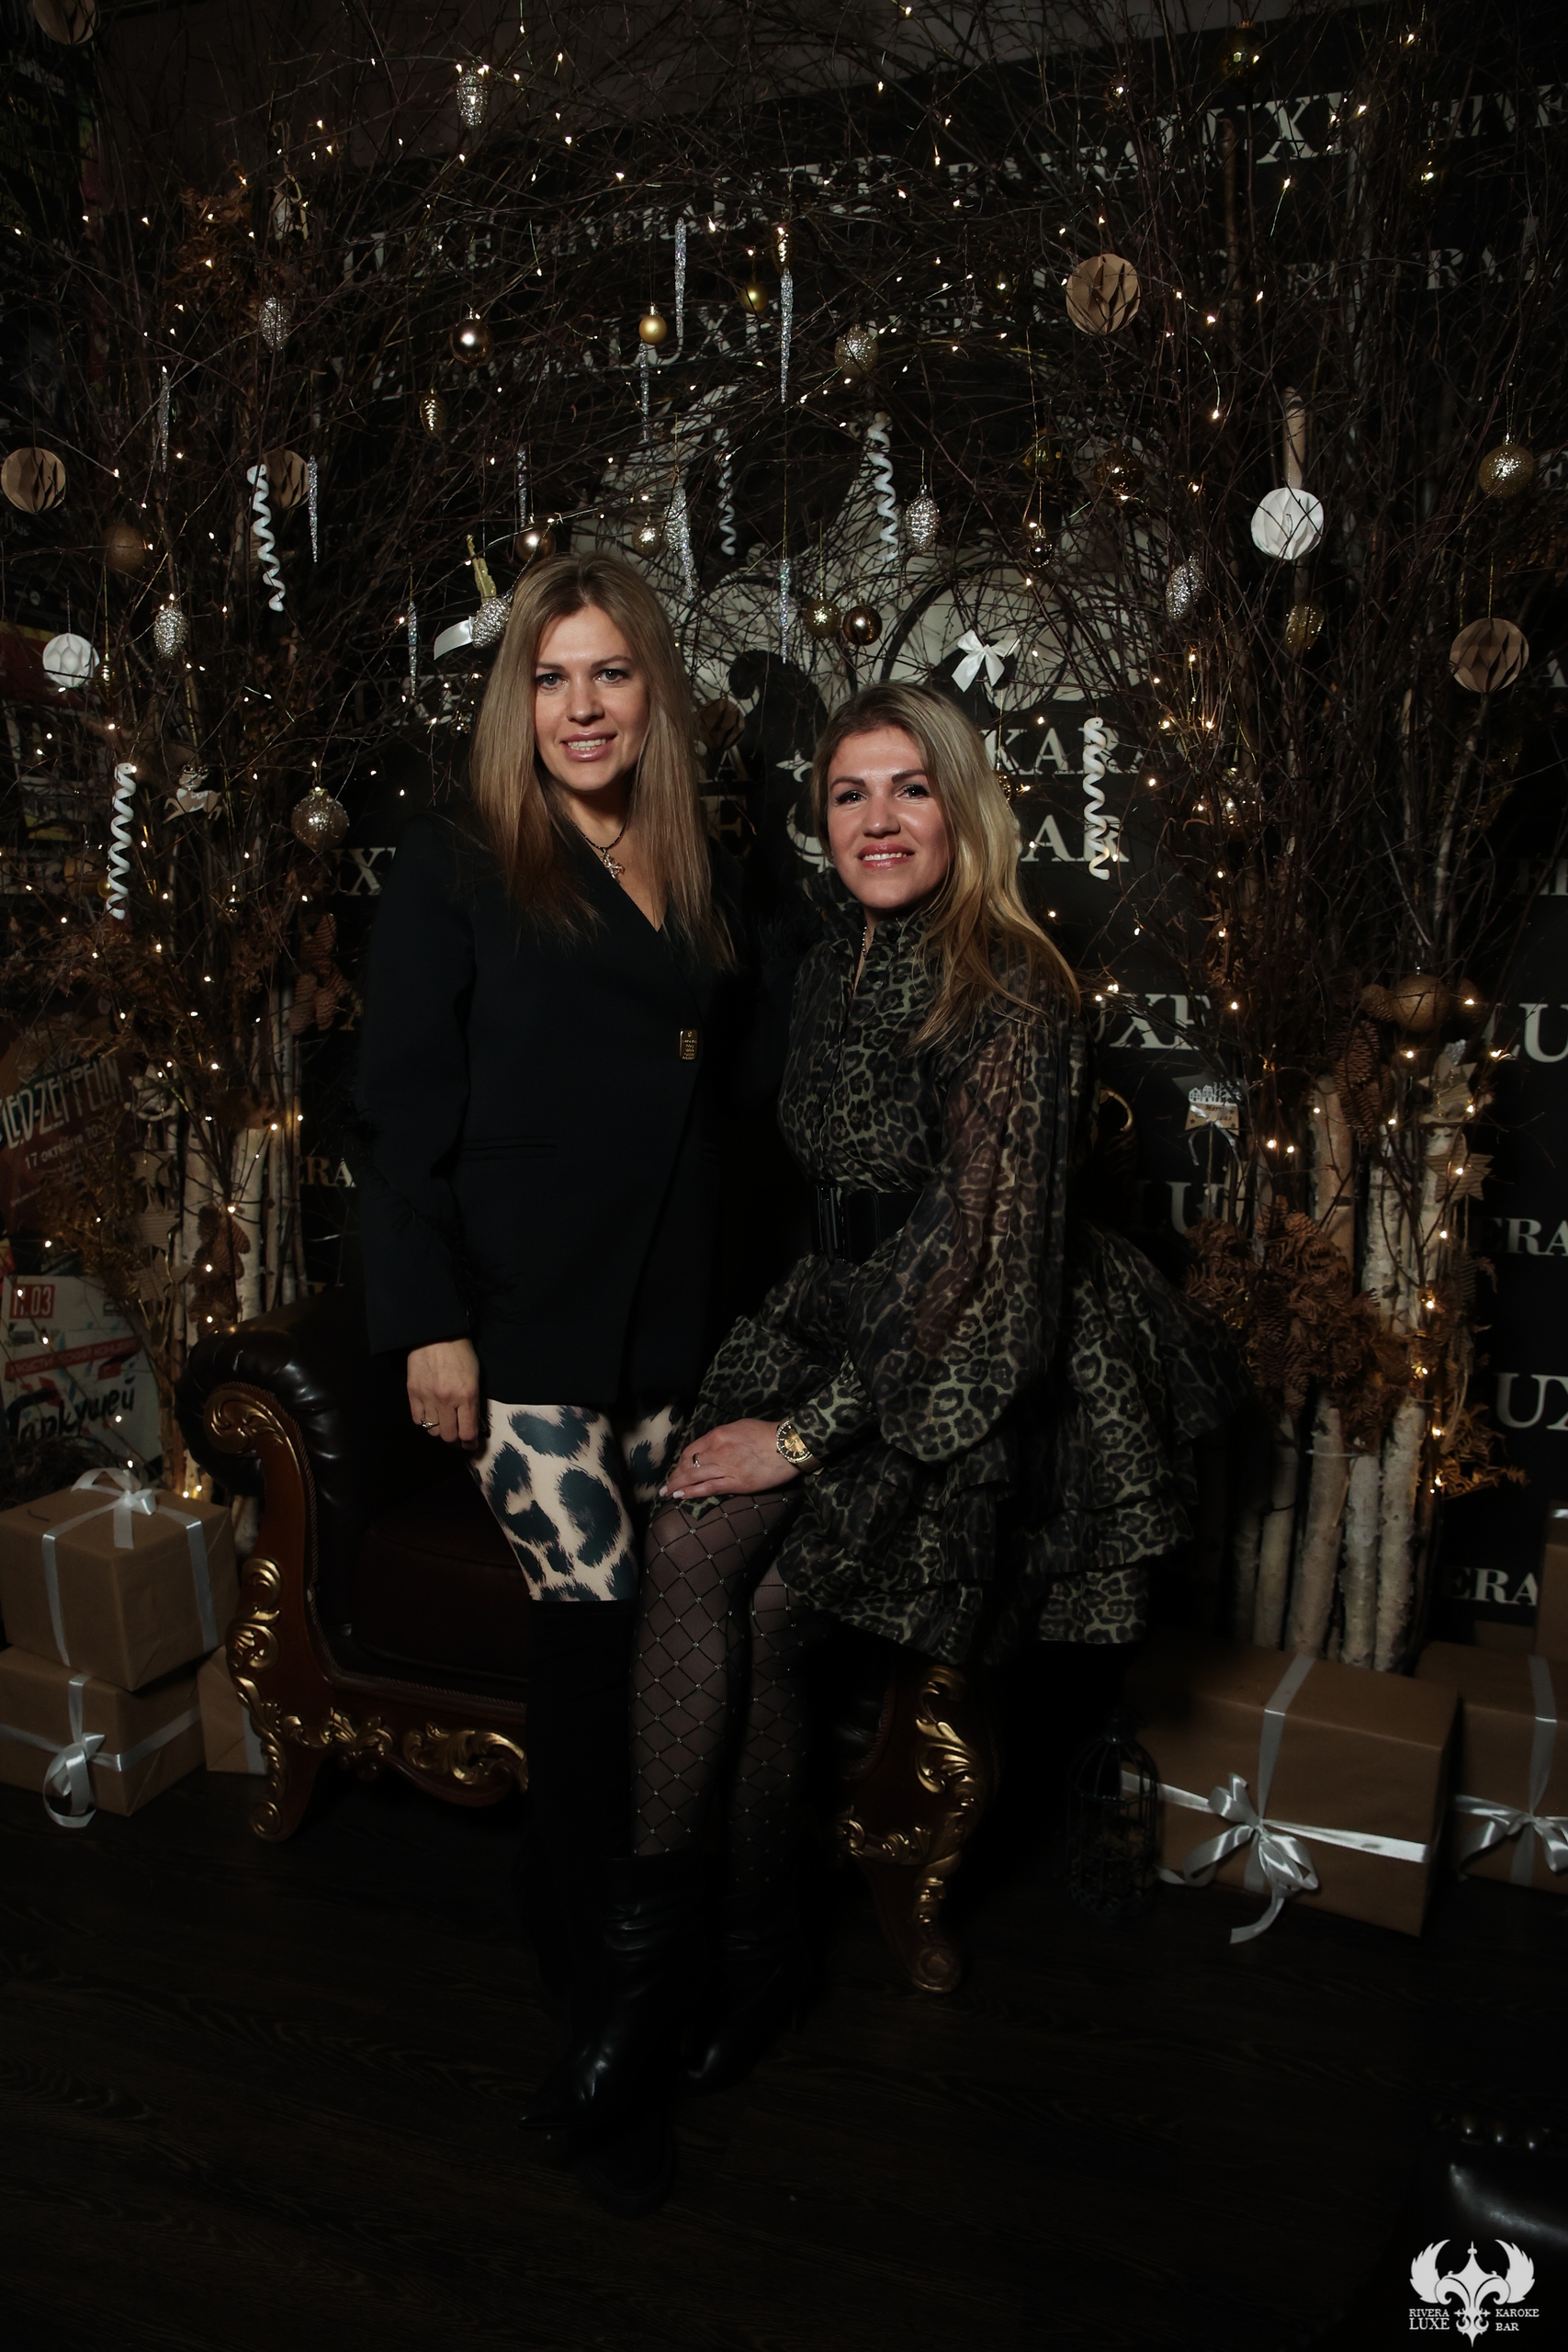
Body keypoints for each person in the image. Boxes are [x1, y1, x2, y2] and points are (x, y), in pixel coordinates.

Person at [523, 680, 1238, 2143]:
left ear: (963, 807)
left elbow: (980, 1264)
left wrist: (801, 1433)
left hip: (975, 1351)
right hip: (841, 1304)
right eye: (850, 794)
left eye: (911, 787)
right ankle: (688, 1979)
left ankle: (699, 1982)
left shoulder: (1013, 987)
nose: (879, 820)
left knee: (753, 1594)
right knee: (713, 1575)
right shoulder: (834, 955)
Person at [354, 549, 771, 2213]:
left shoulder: (698, 861)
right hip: (520, 1331)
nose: (582, 708)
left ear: (651, 691)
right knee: (591, 1656)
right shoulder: (455, 859)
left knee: (668, 1647)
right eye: (550, 677)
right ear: (512, 699)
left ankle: (600, 1950)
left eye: (609, 674)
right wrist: (427, 1323)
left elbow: (731, 1098)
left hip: (672, 1321)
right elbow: (400, 1109)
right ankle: (613, 2024)